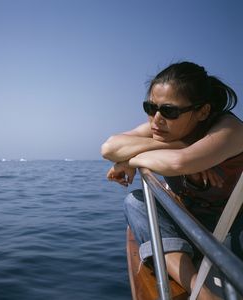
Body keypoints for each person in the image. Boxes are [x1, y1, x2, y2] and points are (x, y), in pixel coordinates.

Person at [101, 61, 243, 299]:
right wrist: (179, 145)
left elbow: (178, 164)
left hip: (234, 226)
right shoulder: (168, 130)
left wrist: (130, 161)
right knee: (135, 203)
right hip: (191, 219)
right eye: (150, 107)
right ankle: (200, 291)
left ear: (203, 111)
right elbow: (109, 148)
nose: (156, 119)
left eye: (169, 111)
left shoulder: (229, 129)